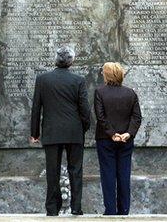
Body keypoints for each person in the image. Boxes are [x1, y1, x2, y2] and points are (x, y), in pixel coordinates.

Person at [30, 47, 91, 216]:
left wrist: (35, 133)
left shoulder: (43, 79)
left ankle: (52, 209)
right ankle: (76, 208)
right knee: (76, 171)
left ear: (56, 60)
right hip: (74, 132)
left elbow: (36, 108)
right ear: (71, 61)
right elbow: (85, 109)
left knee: (52, 171)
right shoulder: (78, 80)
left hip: (51, 132)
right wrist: (83, 128)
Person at [94, 62, 142, 215]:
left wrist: (112, 134)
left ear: (107, 75)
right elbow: (137, 117)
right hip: (126, 141)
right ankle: (124, 210)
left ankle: (110, 210)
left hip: (105, 139)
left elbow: (100, 117)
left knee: (108, 175)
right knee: (124, 174)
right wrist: (128, 133)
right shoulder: (131, 93)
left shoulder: (100, 92)